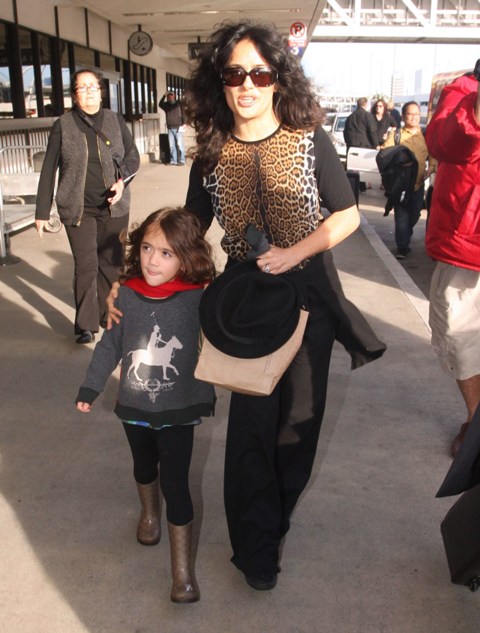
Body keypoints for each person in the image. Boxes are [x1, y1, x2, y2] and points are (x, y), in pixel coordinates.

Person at [177, 20, 386, 591]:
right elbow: (190, 229)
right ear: (220, 83)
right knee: (250, 428)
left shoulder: (307, 138)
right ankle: (257, 550)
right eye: (234, 74)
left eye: (259, 73)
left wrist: (295, 252)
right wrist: (144, 272)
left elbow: (346, 215)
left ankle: (274, 518)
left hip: (308, 293)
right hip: (247, 303)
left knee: (299, 425)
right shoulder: (211, 154)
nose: (247, 85)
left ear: (277, 80)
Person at [76, 207, 216, 603]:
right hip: (135, 407)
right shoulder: (127, 295)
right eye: (148, 248)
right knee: (142, 466)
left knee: (177, 483)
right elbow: (111, 344)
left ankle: (182, 574)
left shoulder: (200, 297)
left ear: (186, 257)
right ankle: (150, 513)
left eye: (167, 253)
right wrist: (91, 385)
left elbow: (231, 315)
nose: (153, 260)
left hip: (179, 409)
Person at [35, 69, 140, 344]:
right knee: (86, 266)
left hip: (114, 207)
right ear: (74, 95)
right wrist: (41, 211)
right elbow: (49, 168)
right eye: (82, 87)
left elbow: (132, 157)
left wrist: (122, 183)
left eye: (93, 86)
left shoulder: (115, 120)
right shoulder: (63, 124)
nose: (89, 91)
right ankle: (85, 325)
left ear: (101, 91)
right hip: (77, 207)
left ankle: (108, 315)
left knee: (112, 265)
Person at [425, 70, 480, 458]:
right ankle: (475, 420)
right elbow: (444, 143)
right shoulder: (463, 91)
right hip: (466, 248)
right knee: (458, 339)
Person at [382, 101, 435, 259]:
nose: (413, 117)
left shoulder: (425, 135)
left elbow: (433, 154)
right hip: (402, 185)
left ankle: (405, 235)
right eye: (410, 114)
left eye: (416, 114)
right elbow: (385, 154)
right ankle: (402, 247)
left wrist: (431, 167)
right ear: (403, 116)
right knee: (402, 217)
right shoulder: (396, 135)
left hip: (418, 184)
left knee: (415, 214)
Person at [159, 91, 186, 166]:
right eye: (169, 95)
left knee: (180, 145)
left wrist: (184, 123)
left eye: (172, 95)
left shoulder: (179, 104)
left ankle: (182, 160)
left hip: (178, 127)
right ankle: (173, 161)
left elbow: (183, 114)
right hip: (170, 128)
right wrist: (164, 95)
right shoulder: (166, 105)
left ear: (174, 95)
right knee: (172, 145)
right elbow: (160, 104)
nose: (170, 96)